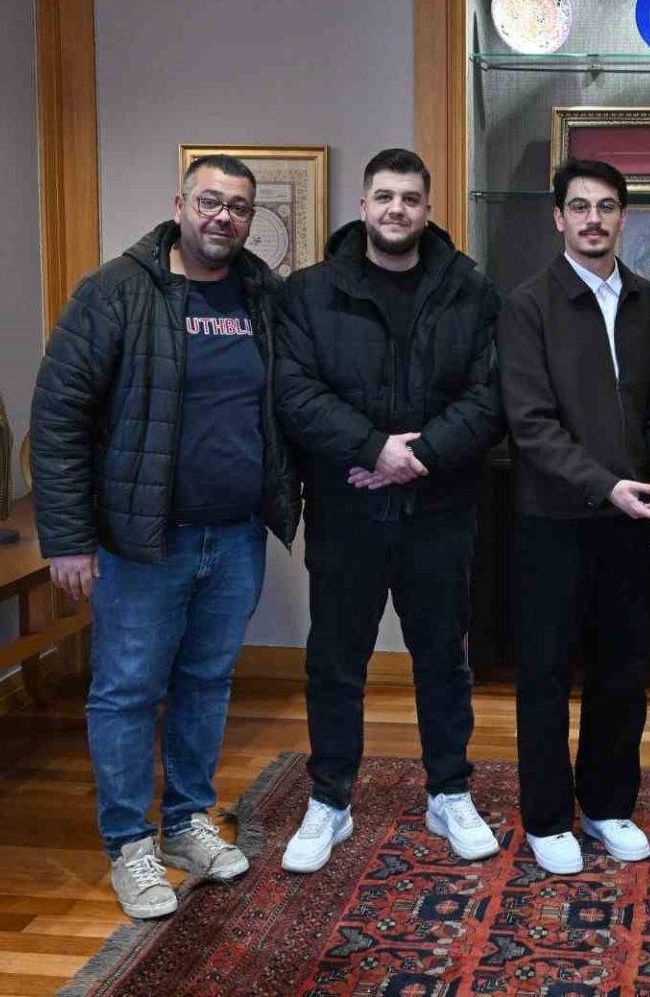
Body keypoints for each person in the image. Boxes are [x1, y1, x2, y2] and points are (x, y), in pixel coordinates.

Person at [30, 154, 300, 918]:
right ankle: (129, 843)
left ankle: (185, 821)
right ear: (180, 203)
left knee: (206, 683)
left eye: (239, 207)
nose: (224, 217)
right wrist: (68, 538)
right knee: (126, 691)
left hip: (236, 536)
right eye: (210, 201)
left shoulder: (263, 296)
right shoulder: (116, 291)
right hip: (142, 542)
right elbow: (58, 417)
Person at [274, 148, 504, 873]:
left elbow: (490, 396)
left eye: (410, 198)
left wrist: (416, 455)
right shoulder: (310, 292)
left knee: (443, 658)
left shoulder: (470, 290)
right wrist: (373, 448)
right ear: (363, 205)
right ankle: (330, 800)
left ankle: (449, 791)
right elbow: (295, 391)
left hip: (440, 508)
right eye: (384, 196)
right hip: (346, 509)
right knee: (335, 660)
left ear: (428, 209)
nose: (397, 209)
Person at [497, 158, 650, 875]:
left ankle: (606, 805)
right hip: (551, 519)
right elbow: (530, 424)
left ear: (623, 218)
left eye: (606, 207)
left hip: (632, 521)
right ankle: (547, 817)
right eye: (580, 207)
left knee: (622, 671)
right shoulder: (527, 305)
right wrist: (607, 486)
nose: (593, 219)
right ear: (559, 218)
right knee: (544, 674)